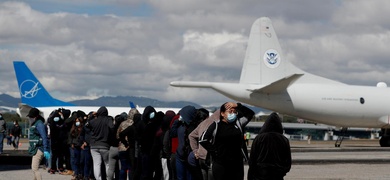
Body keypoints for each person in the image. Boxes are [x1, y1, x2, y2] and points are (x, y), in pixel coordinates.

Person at [199, 102, 254, 180]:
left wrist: (238, 105)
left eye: (234, 112)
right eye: (230, 112)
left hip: (236, 164)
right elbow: (203, 139)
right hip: (221, 164)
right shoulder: (216, 125)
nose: (233, 114)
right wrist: (215, 151)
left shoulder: (238, 124)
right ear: (222, 114)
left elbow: (250, 114)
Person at [247, 112, 291, 180]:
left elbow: (253, 158)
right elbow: (288, 160)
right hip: (277, 174)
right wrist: (283, 171)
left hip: (261, 173)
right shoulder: (284, 140)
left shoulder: (259, 138)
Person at [188, 109, 219, 180]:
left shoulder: (202, 123)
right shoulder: (215, 124)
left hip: (201, 157)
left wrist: (195, 151)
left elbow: (191, 136)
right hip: (210, 157)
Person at [170, 105, 197, 180]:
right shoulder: (180, 125)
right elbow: (172, 133)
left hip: (189, 156)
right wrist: (176, 122)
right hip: (180, 155)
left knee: (189, 177)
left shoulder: (194, 128)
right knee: (180, 177)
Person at [88, 106, 114, 180]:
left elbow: (87, 125)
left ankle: (98, 178)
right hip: (105, 145)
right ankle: (108, 178)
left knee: (96, 164)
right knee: (107, 164)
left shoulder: (94, 121)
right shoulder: (108, 120)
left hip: (93, 144)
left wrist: (92, 116)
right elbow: (112, 127)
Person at [27, 108, 50, 180]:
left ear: (36, 116)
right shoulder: (36, 123)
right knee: (35, 168)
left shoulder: (39, 124)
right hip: (36, 148)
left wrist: (46, 149)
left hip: (39, 148)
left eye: (31, 117)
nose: (30, 118)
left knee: (35, 168)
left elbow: (44, 137)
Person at [117, 108, 140, 180]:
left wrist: (124, 142)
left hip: (122, 148)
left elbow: (118, 135)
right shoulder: (136, 124)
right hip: (132, 148)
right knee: (131, 168)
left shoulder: (123, 123)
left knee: (123, 168)